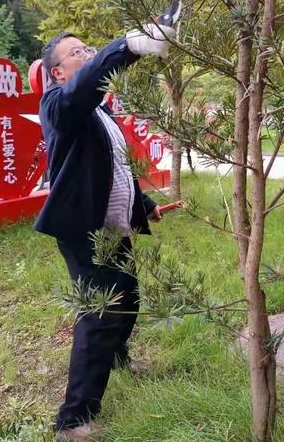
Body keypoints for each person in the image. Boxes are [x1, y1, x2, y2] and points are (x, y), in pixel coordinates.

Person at [34, 23, 175, 440]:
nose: (88, 55)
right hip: (83, 231)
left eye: (90, 49)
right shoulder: (58, 103)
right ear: (58, 72)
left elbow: (115, 165)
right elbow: (84, 87)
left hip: (115, 227)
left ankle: (117, 358)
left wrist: (144, 205)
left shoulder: (100, 109)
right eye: (78, 52)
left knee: (128, 297)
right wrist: (129, 46)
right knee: (99, 316)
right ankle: (74, 418)